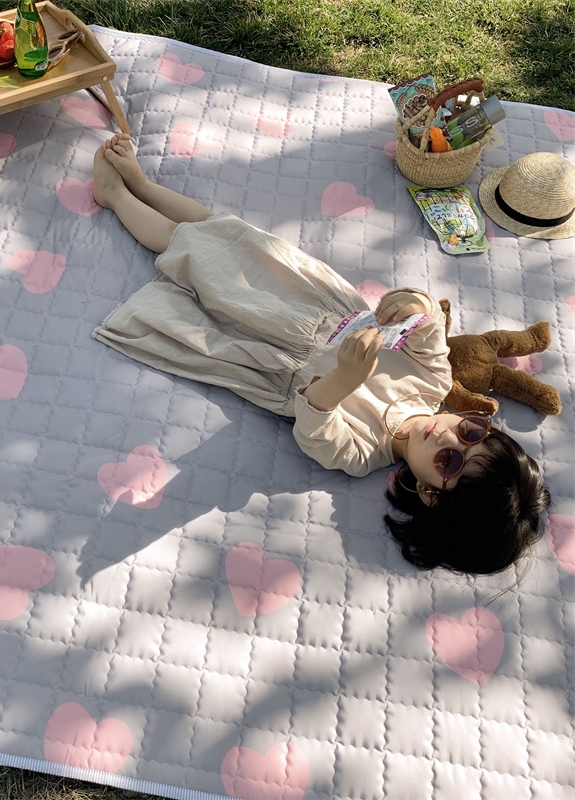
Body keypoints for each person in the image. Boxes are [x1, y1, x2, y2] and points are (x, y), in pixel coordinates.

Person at [91, 135, 551, 575]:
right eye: (470, 432)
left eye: (448, 461)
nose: (447, 436)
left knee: (192, 252)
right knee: (226, 232)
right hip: (313, 301)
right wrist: (415, 305)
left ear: (430, 494)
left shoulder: (361, 454)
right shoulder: (432, 383)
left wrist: (344, 380)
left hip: (272, 341)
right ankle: (143, 185)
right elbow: (429, 329)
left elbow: (314, 426)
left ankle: (115, 196)